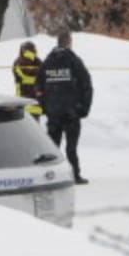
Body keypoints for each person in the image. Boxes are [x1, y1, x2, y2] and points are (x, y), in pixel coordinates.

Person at [36, 31, 93, 185]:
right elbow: (86, 85)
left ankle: (51, 177)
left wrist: (45, 107)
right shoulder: (74, 61)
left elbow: (38, 87)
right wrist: (83, 109)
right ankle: (74, 175)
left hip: (53, 114)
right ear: (69, 42)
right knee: (71, 147)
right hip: (71, 113)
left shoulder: (47, 62)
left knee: (53, 148)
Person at [12, 41, 43, 120]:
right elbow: (26, 75)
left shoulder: (19, 62)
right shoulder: (23, 62)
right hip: (31, 102)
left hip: (23, 102)